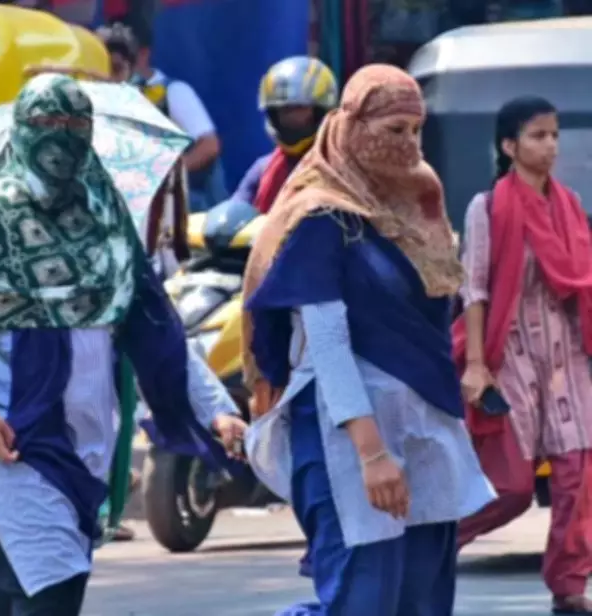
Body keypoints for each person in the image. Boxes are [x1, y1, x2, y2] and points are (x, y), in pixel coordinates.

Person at [0, 73, 246, 616]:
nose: (62, 137)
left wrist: (215, 409)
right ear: (22, 130)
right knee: (49, 589)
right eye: (48, 124)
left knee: (14, 591)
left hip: (84, 439)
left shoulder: (103, 215)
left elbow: (152, 322)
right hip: (4, 429)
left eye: (76, 123)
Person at [242, 64, 494, 615]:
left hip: (425, 433)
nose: (406, 145)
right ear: (352, 126)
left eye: (414, 130)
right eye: (391, 130)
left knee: (422, 603)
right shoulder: (320, 214)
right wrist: (372, 453)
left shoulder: (419, 205)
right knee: (361, 602)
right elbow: (328, 344)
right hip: (347, 440)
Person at [453, 96, 592, 615]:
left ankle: (569, 586)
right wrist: (476, 365)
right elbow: (475, 290)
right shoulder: (487, 208)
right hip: (510, 354)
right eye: (538, 136)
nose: (550, 145)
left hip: (567, 357)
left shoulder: (571, 205)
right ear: (509, 146)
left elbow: (582, 282)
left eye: (554, 135)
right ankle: (435, 544)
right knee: (510, 486)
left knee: (578, 474)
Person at [125, 18, 227, 213]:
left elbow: (209, 145)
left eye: (120, 64)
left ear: (144, 54)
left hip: (183, 208)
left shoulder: (174, 91)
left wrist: (166, 176)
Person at [251, 56, 339, 213]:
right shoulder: (263, 168)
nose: (290, 118)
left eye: (299, 108)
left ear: (320, 111)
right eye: (284, 110)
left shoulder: (342, 169)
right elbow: (238, 210)